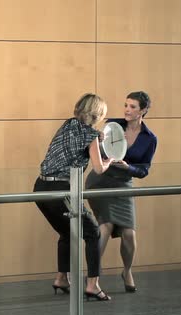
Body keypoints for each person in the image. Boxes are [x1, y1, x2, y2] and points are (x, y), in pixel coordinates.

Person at [34, 93, 114, 301]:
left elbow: (76, 142)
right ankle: (93, 285)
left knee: (66, 231)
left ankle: (61, 278)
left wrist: (97, 138)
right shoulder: (91, 136)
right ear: (98, 114)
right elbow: (98, 168)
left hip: (40, 187)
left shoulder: (68, 124)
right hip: (61, 191)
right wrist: (110, 160)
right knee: (93, 233)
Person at [85, 91, 158, 293]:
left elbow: (143, 170)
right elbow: (95, 150)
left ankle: (127, 271)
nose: (127, 110)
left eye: (133, 107)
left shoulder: (149, 138)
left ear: (143, 111)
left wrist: (129, 168)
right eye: (126, 105)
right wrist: (99, 141)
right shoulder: (112, 125)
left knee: (128, 233)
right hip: (100, 180)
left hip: (123, 182)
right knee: (106, 226)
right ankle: (93, 277)